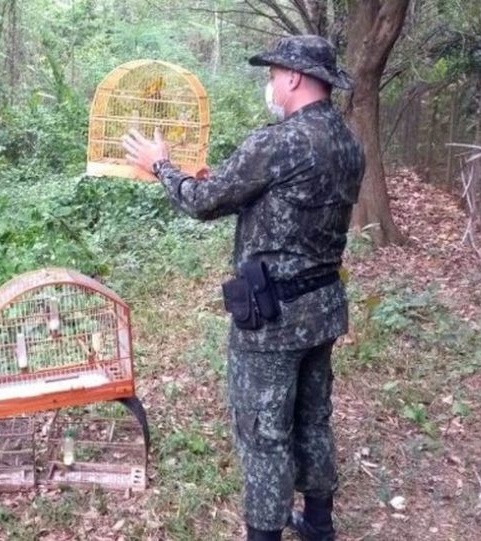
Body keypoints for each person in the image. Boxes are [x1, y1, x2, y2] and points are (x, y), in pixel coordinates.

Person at [121, 35, 365, 541]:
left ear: (294, 77)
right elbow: (288, 204)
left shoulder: (278, 142)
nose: (270, 84)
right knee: (314, 417)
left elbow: (203, 202)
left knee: (264, 433)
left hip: (273, 319)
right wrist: (224, 183)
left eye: (273, 75)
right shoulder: (347, 142)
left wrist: (160, 166)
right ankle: (319, 524)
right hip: (322, 309)